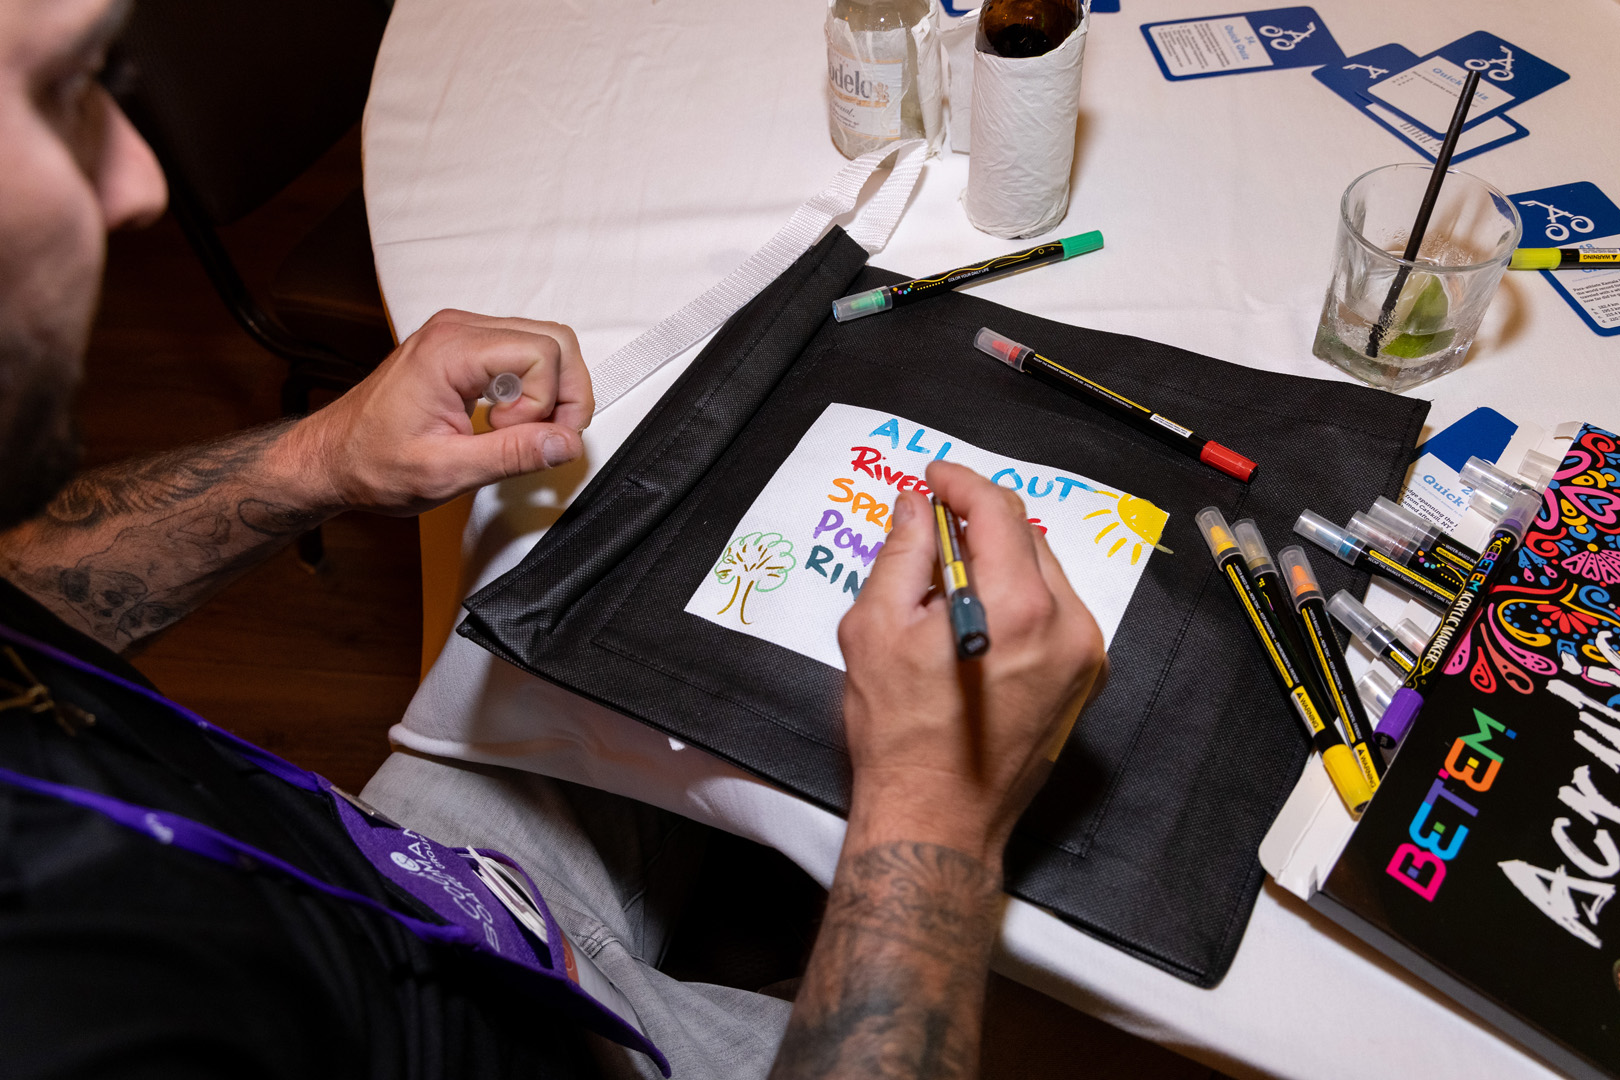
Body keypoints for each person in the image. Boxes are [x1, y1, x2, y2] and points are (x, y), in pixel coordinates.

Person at [0, 0, 1108, 1077]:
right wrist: (930, 816)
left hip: (405, 881)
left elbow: (24, 591)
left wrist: (318, 457)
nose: (139, 183)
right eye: (58, 93)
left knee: (643, 553)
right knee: (1092, 1005)